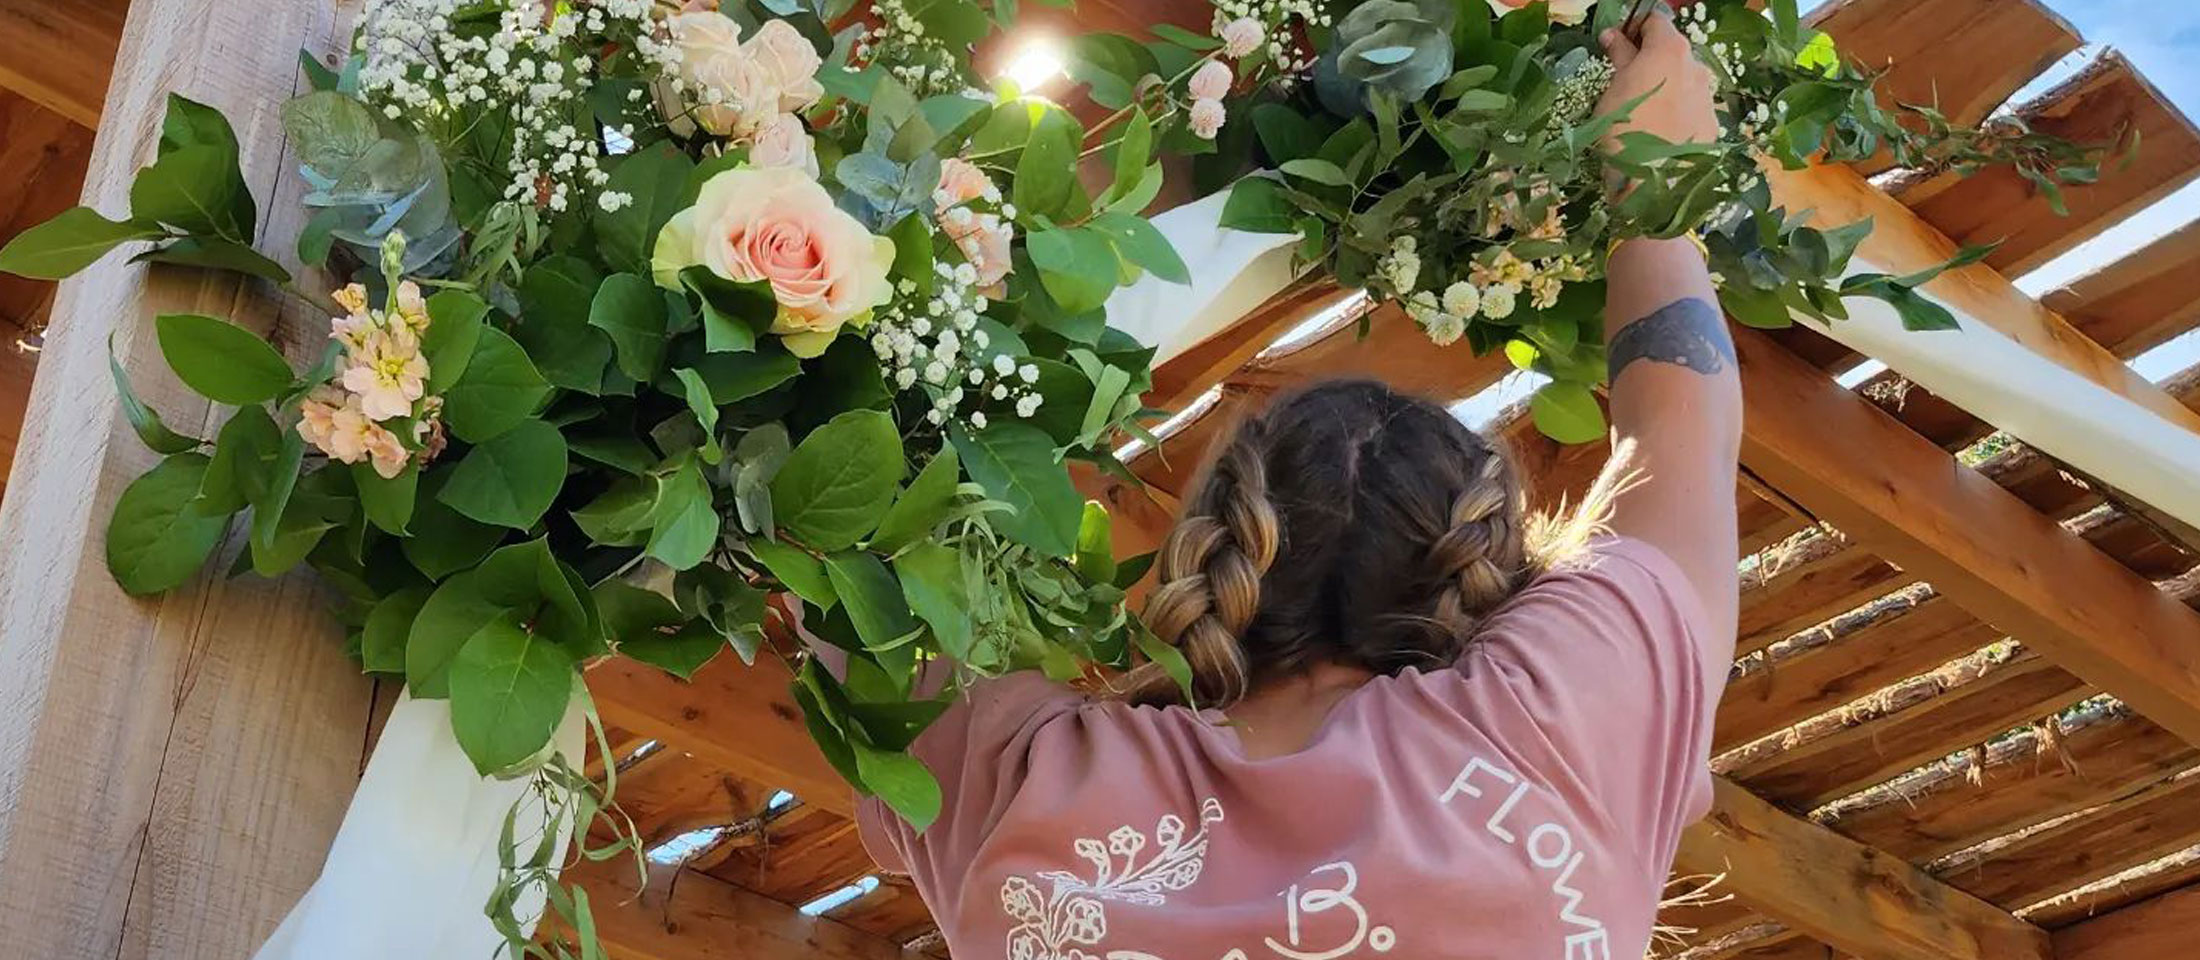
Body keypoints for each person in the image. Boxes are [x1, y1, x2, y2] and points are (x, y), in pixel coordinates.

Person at [856, 13, 1740, 960]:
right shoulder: (1553, 724)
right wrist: (1649, 168)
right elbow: (1681, 422)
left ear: (1212, 545)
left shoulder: (1023, 781)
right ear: (1486, 565)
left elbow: (877, 462)